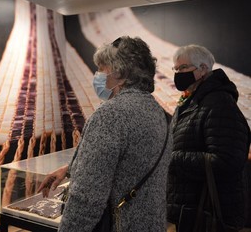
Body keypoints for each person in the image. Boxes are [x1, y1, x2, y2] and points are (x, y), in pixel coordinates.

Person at [38, 36, 171, 232]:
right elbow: (130, 162)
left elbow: (87, 198)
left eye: (102, 69)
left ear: (120, 73)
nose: (98, 75)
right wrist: (71, 169)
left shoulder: (109, 115)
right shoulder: (158, 112)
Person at [167, 44, 251, 231]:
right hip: (191, 212)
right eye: (176, 68)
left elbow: (227, 160)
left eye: (183, 68)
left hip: (211, 214)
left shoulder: (219, 103)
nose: (178, 73)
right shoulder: (191, 102)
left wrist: (172, 158)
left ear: (203, 69)